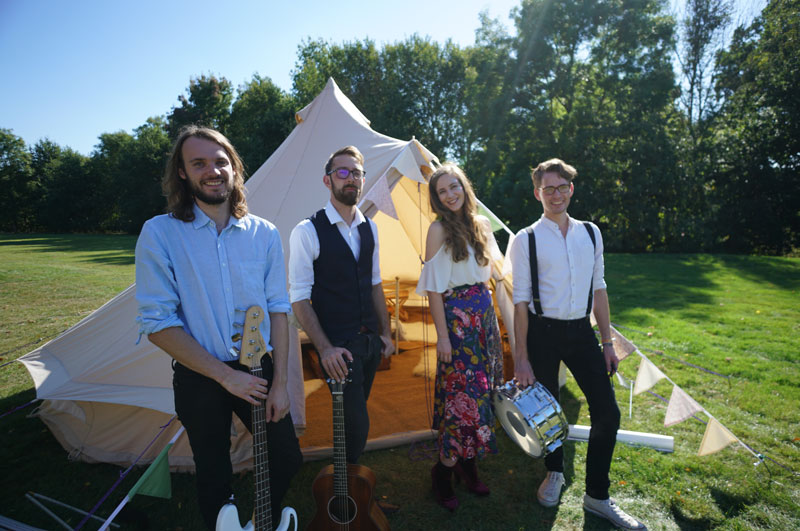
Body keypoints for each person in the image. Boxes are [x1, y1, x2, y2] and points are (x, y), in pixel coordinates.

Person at [135, 126, 302, 530]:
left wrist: (280, 383)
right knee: (213, 471)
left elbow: (279, 310)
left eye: (220, 162)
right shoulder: (160, 233)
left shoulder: (264, 233)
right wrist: (225, 376)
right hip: (199, 372)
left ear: (235, 168)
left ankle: (260, 522)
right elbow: (157, 323)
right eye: (199, 163)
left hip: (257, 368)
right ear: (182, 172)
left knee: (286, 456)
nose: (212, 171)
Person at [508, 158, 646, 530]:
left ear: (571, 189)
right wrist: (521, 358)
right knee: (548, 416)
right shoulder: (525, 239)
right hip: (541, 333)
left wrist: (607, 343)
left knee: (608, 414)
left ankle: (597, 496)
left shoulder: (591, 233)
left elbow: (599, 289)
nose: (556, 195)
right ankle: (554, 472)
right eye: (548, 189)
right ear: (537, 193)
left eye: (561, 187)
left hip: (582, 333)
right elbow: (520, 302)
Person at [288, 145, 394, 467]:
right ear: (328, 180)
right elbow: (299, 298)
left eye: (356, 173)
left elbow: (374, 284)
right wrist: (325, 350)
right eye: (342, 172)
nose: (351, 179)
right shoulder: (307, 231)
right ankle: (346, 486)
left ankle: (346, 481)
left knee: (352, 416)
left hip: (369, 343)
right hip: (337, 349)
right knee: (357, 423)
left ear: (363, 179)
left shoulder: (370, 227)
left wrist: (386, 334)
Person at [415, 164, 504, 512]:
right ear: (437, 199)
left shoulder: (482, 225)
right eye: (442, 191)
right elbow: (434, 290)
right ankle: (443, 470)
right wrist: (443, 337)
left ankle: (468, 465)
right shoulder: (438, 230)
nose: (450, 195)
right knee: (459, 400)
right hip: (457, 326)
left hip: (483, 323)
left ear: (465, 187)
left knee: (480, 396)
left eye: (454, 187)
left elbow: (494, 275)